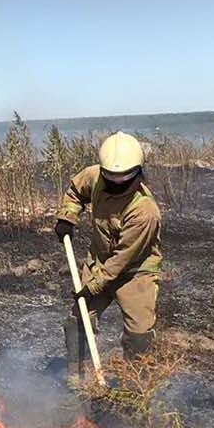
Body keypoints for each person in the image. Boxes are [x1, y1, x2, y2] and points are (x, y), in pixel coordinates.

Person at [53, 131, 163, 378]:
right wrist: (67, 218)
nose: (115, 183)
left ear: (137, 172)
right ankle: (78, 379)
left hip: (135, 271)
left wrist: (92, 287)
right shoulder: (95, 177)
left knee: (139, 334)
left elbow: (123, 258)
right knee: (78, 321)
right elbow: (75, 191)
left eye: (122, 178)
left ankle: (136, 386)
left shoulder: (145, 211)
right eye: (110, 177)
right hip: (99, 261)